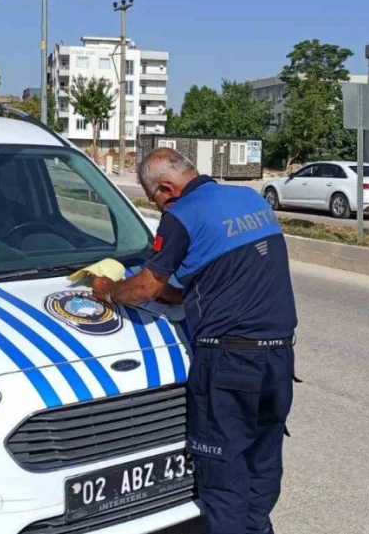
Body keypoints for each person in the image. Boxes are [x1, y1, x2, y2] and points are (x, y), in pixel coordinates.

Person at [92, 148, 298, 534]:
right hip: (279, 359)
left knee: (223, 477)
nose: (161, 208)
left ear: (166, 189)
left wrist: (107, 290)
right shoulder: (248, 199)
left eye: (155, 199)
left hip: (230, 363)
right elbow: (213, 282)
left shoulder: (181, 216)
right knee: (262, 461)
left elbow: (144, 289)